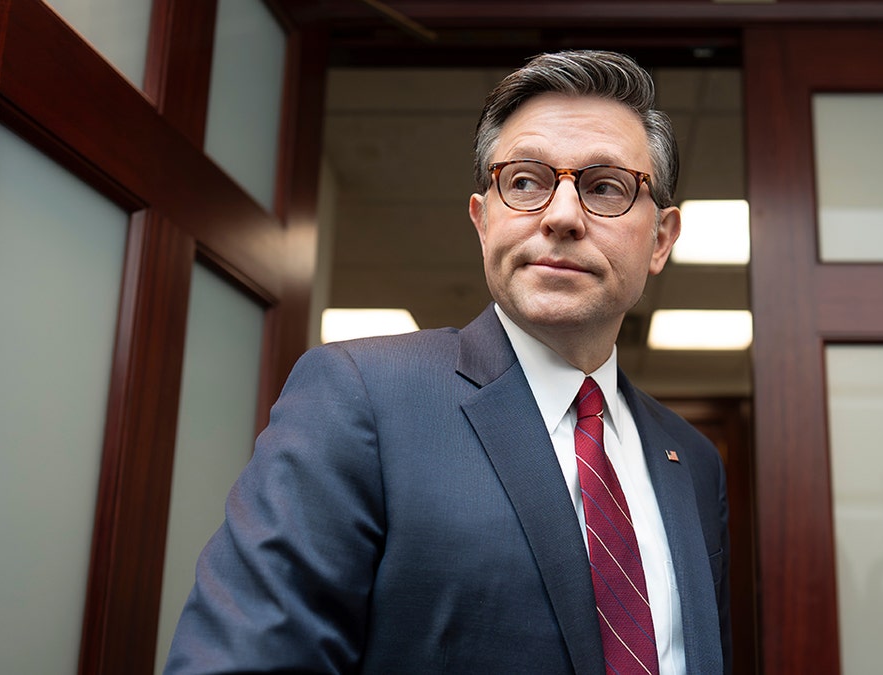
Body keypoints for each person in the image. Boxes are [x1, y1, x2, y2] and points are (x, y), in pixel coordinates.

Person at [165, 49, 731, 675]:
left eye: (605, 187)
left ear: (660, 240)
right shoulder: (361, 398)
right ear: (483, 221)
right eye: (524, 182)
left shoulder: (693, 462)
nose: (563, 216)